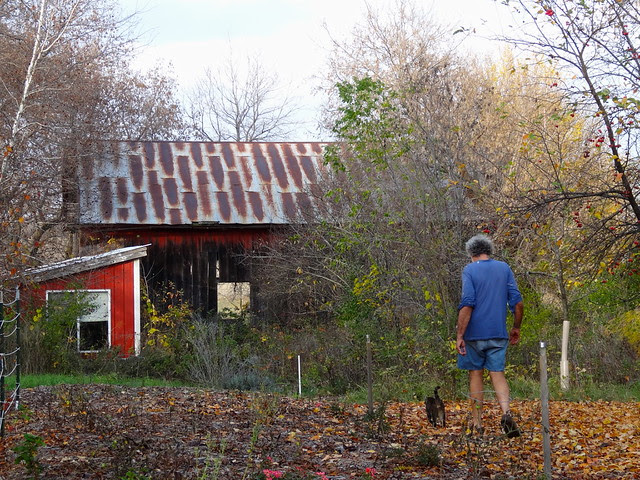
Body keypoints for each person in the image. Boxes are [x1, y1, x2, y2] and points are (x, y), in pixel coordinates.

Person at [456, 234, 523, 438]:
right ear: (489, 251)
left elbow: (468, 303)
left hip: (474, 334)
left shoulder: (470, 270)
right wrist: (516, 327)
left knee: (475, 374)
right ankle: (506, 412)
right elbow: (517, 302)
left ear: (471, 253)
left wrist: (460, 335)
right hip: (498, 332)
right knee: (497, 373)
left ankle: (478, 424)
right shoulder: (504, 268)